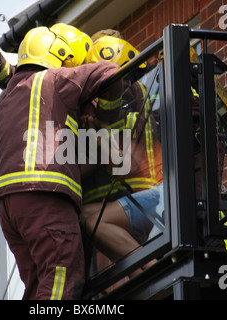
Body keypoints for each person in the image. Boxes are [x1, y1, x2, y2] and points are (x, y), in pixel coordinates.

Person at [0, 26, 122, 300]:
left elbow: (15, 78)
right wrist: (109, 119)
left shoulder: (7, 97)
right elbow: (111, 73)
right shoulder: (60, 80)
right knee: (63, 277)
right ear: (67, 59)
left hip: (8, 208)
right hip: (45, 199)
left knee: (38, 286)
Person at [80, 34, 163, 277]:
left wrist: (95, 129)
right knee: (83, 216)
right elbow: (88, 164)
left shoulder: (128, 107)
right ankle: (144, 274)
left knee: (94, 223)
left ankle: (149, 274)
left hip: (157, 195)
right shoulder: (124, 106)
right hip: (141, 198)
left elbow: (126, 163)